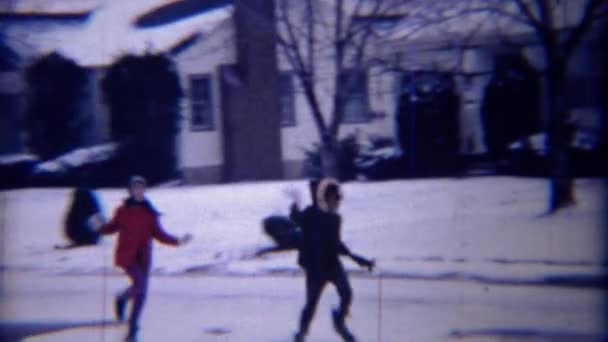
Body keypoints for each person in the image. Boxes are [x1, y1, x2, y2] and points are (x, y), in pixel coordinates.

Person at [94, 175, 192, 341]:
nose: (139, 191)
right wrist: (98, 226)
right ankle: (122, 297)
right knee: (139, 286)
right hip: (127, 256)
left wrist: (178, 241)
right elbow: (111, 228)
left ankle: (132, 331)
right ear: (130, 191)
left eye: (141, 188)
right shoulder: (122, 210)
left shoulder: (149, 212)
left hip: (144, 258)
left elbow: (159, 234)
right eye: (135, 188)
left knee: (141, 295)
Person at [288, 178, 374, 342]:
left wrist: (358, 259)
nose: (338, 202)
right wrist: (294, 205)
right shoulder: (311, 214)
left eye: (339, 198)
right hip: (315, 269)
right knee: (311, 304)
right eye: (335, 198)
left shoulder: (335, 219)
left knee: (347, 294)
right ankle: (301, 333)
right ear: (325, 198)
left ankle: (338, 320)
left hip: (332, 265)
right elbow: (297, 218)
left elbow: (336, 243)